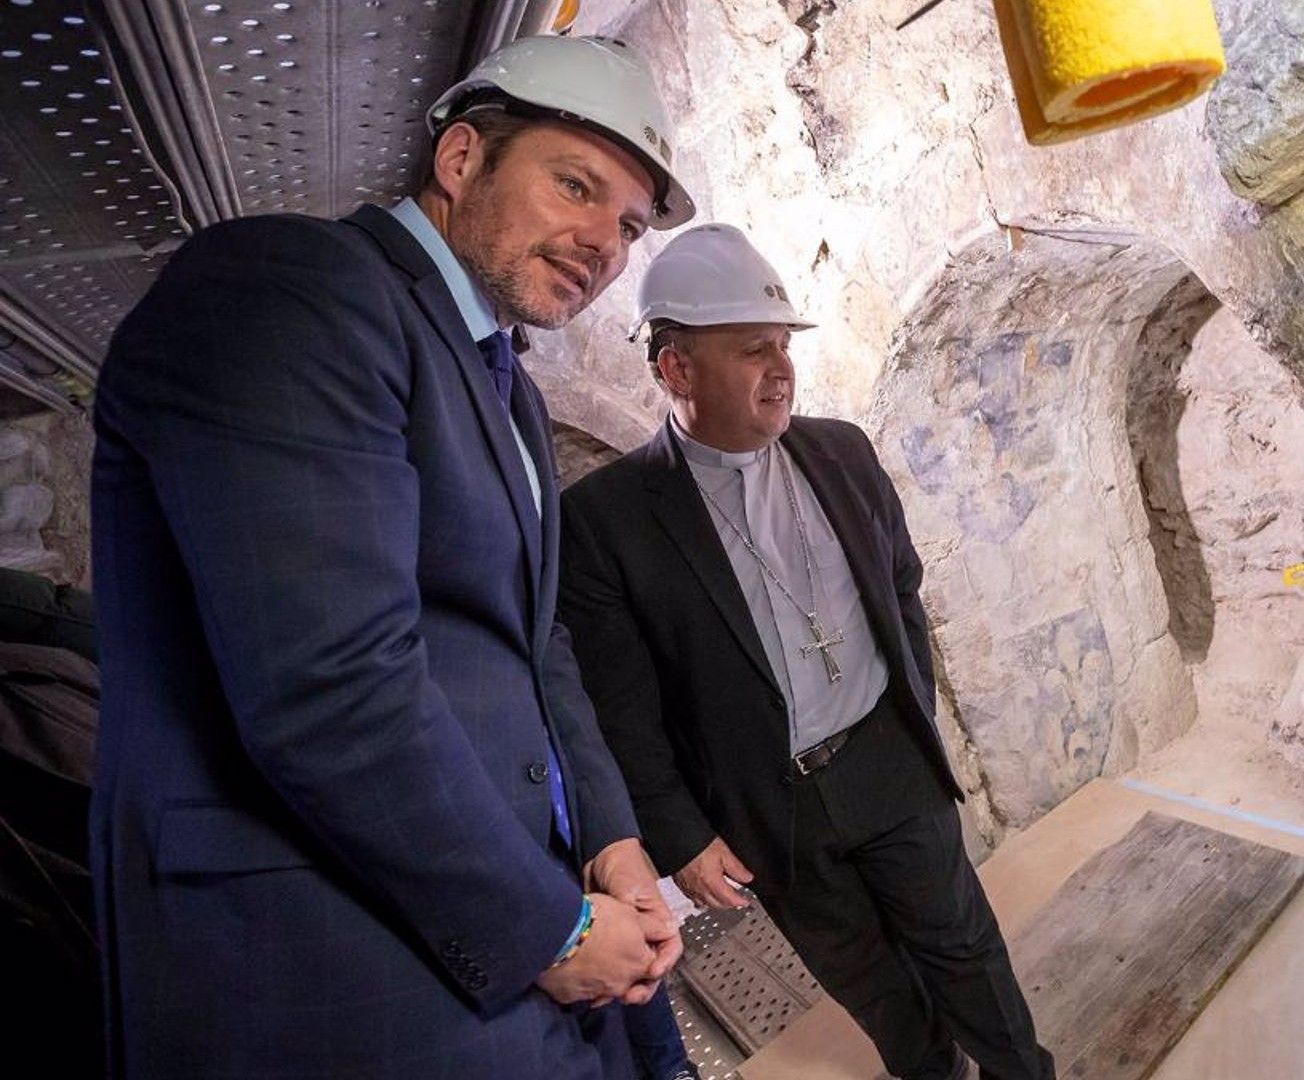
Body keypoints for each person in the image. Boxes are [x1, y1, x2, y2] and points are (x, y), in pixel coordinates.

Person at [90, 35, 698, 1078]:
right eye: (575, 185)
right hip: (338, 961)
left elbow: (532, 644)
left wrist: (609, 837)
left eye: (629, 226)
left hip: (503, 922)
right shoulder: (291, 286)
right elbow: (326, 686)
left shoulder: (506, 384)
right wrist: (545, 929)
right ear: (461, 160)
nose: (603, 240)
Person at [558, 224, 1055, 1080]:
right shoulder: (606, 519)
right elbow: (622, 707)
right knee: (868, 981)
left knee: (963, 946)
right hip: (767, 807)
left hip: (883, 756)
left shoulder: (841, 451)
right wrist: (680, 835)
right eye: (754, 350)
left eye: (783, 345)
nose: (781, 368)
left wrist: (911, 715)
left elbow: (901, 584)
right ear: (677, 369)